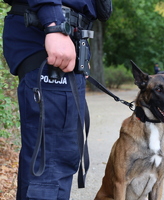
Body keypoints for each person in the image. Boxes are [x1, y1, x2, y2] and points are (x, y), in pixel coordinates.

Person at [2, 0, 99, 199]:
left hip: (65, 35)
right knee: (50, 168)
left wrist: (81, 50)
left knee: (55, 160)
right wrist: (54, 24)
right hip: (50, 32)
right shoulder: (53, 24)